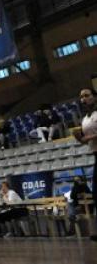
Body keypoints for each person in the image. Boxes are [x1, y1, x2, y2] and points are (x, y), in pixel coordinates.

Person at [72, 86, 97, 241]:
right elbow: (85, 141)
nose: (83, 99)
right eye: (81, 97)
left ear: (94, 97)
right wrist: (79, 138)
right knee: (95, 194)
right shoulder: (85, 119)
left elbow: (90, 137)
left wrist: (86, 138)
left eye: (87, 95)